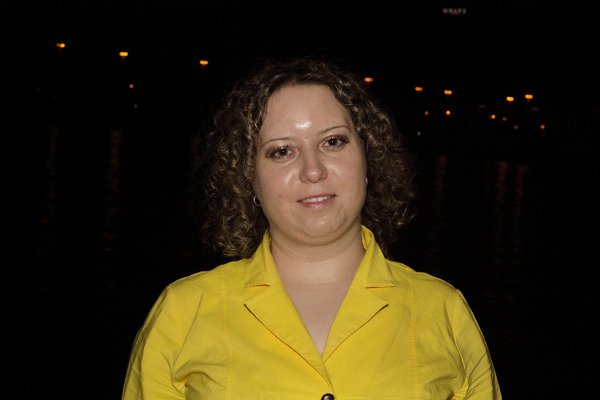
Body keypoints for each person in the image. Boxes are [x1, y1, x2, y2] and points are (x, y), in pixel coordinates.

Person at [121, 56, 502, 399]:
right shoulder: (183, 312)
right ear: (249, 178)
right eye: (282, 151)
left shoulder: (443, 310)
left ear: (367, 158)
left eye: (333, 142)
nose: (313, 170)